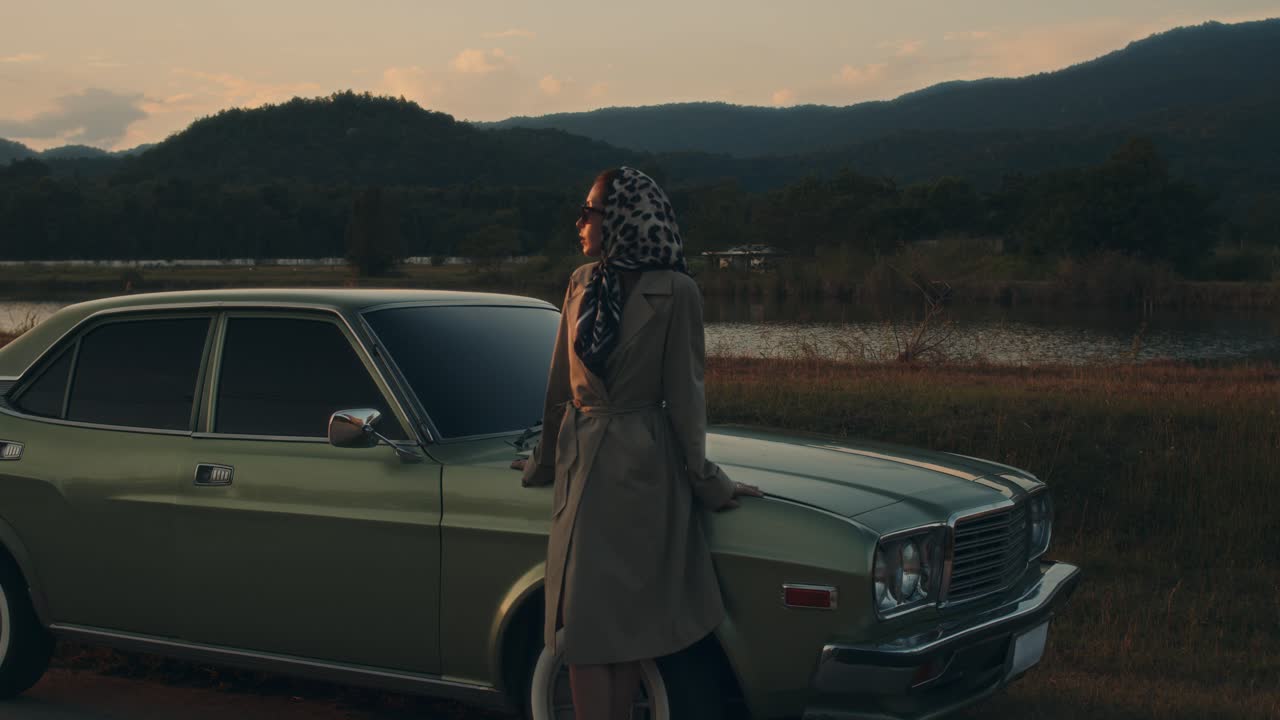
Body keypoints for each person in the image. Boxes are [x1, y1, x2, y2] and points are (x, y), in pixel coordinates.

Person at [513, 166, 762, 720]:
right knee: (576, 627)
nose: (580, 222)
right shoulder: (580, 282)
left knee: (627, 631)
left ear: (625, 217)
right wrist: (542, 461)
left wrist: (710, 483)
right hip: (581, 468)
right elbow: (559, 386)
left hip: (642, 474)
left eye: (590, 211)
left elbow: (687, 401)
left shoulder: (677, 292)